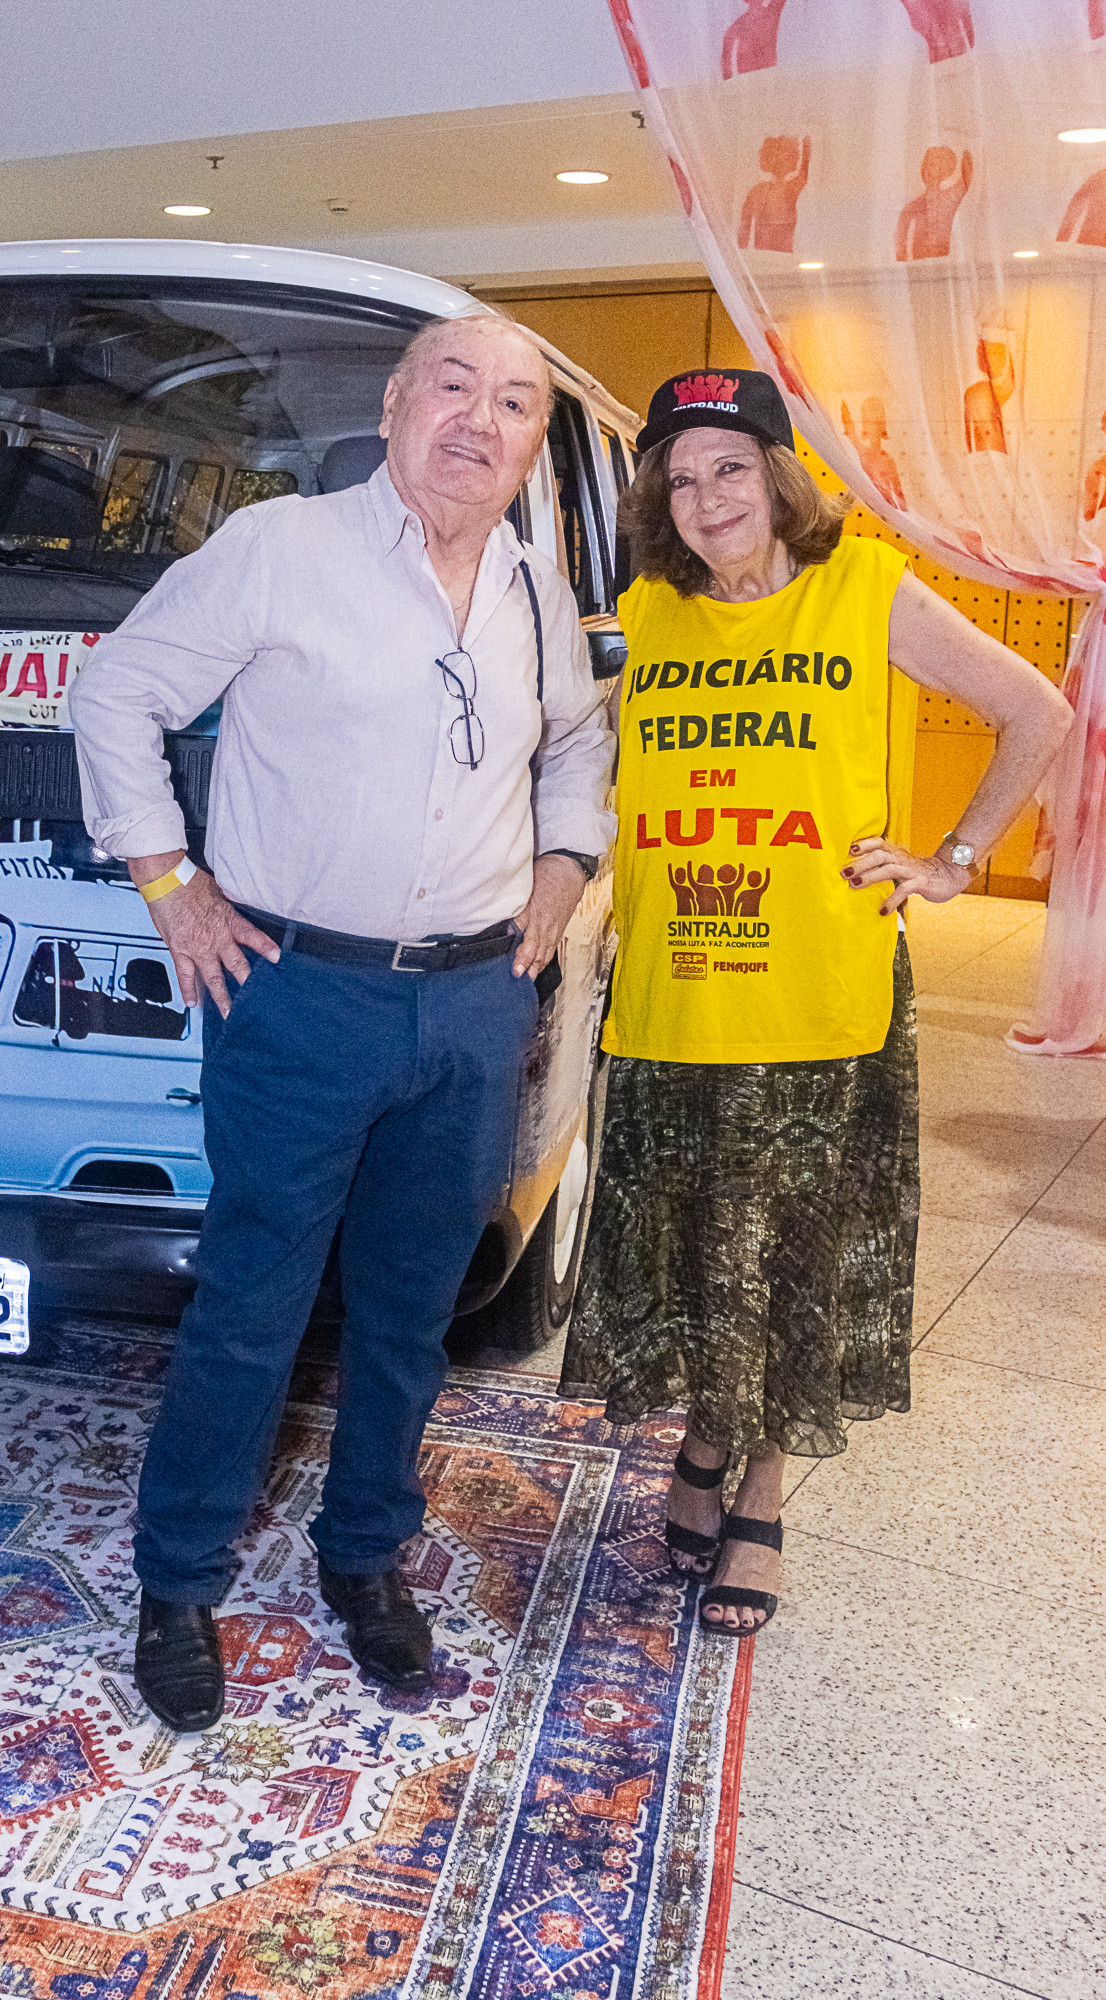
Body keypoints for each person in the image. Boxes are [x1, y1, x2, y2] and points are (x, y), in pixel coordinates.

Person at [71, 312, 616, 1729]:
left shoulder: (534, 590)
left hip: (470, 1004)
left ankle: (365, 1555)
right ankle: (177, 1580)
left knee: (410, 1315)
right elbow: (118, 690)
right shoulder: (282, 548)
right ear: (391, 406)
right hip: (297, 994)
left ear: (531, 443)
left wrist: (563, 871)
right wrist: (169, 881)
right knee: (251, 1305)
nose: (479, 420)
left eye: (514, 402)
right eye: (454, 386)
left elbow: (577, 741)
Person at [562, 368, 1071, 1636]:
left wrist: (955, 859)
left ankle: (761, 1486)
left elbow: (1036, 709)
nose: (706, 497)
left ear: (781, 476)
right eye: (680, 477)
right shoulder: (646, 614)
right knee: (692, 1239)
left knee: (792, 1250)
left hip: (817, 992)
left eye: (730, 467)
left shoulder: (864, 589)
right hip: (677, 991)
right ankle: (702, 1435)